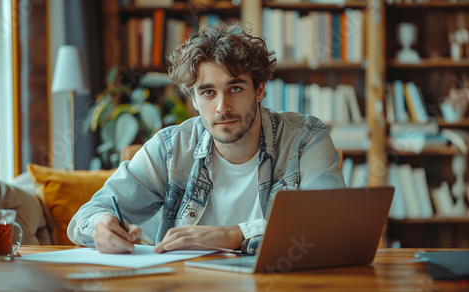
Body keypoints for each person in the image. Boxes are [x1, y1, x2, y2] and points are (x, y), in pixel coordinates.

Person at [67, 22, 345, 255]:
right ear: (194, 100)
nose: (222, 107)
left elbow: (334, 225)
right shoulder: (170, 148)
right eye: (208, 92)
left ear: (259, 90)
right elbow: (87, 216)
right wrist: (100, 227)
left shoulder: (305, 139)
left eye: (235, 88)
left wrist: (236, 234)